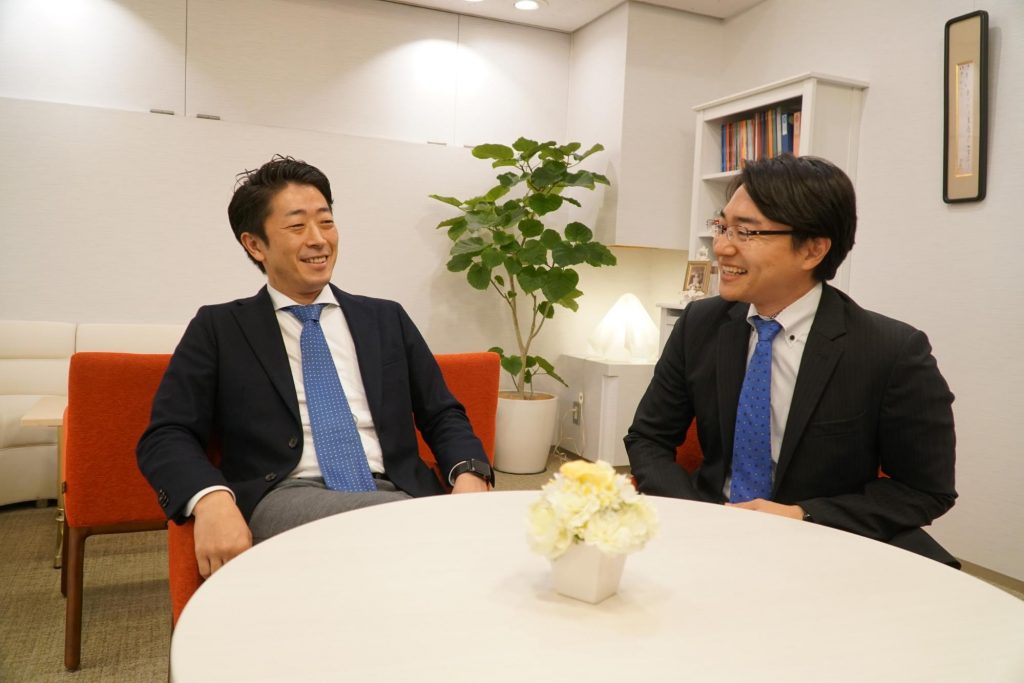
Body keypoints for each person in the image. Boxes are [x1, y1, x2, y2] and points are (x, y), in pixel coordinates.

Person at [137, 155, 493, 578]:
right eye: (297, 226)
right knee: (413, 532)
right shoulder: (219, 327)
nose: (319, 239)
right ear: (255, 245)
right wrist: (211, 498)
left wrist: (469, 471)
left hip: (396, 486)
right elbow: (168, 434)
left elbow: (442, 413)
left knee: (414, 533)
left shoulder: (385, 318)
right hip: (287, 493)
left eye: (326, 222)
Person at [625, 154, 959, 566]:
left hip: (822, 549)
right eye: (723, 226)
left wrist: (802, 516)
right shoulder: (701, 324)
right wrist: (698, 517)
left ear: (813, 250)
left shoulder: (891, 351)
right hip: (705, 532)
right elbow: (648, 438)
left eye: (746, 232)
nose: (722, 246)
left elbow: (924, 490)